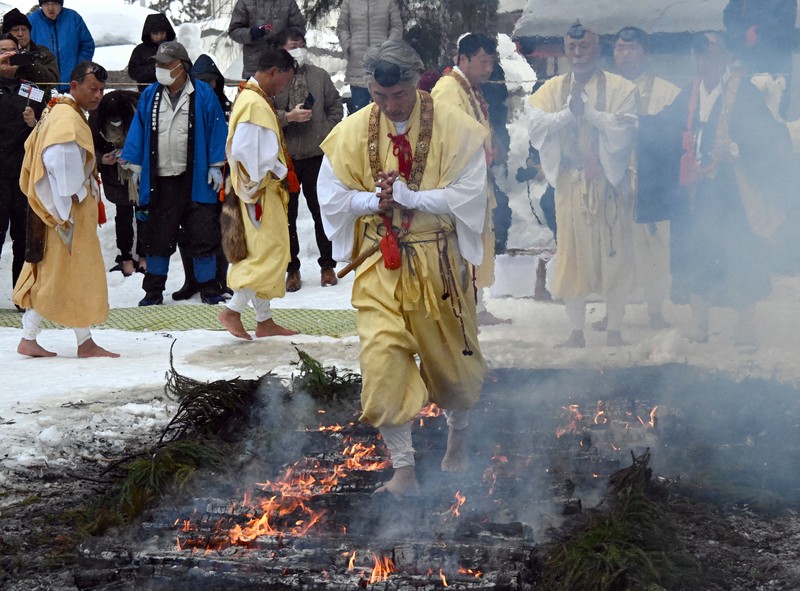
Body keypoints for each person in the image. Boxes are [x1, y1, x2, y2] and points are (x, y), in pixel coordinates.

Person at [317, 41, 489, 496]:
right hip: (381, 264)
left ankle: (459, 435)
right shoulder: (350, 132)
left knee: (454, 365)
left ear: (417, 82)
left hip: (439, 266)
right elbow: (332, 198)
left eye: (398, 96)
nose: (390, 105)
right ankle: (404, 469)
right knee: (381, 362)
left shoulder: (457, 128)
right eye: (379, 96)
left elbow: (471, 193)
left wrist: (414, 198)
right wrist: (373, 201)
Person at [638, 33, 795, 345]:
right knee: (695, 252)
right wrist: (638, 122)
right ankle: (699, 325)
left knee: (741, 255)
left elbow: (768, 134)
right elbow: (668, 123)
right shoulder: (692, 91)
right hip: (696, 190)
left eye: (708, 55)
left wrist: (741, 147)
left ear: (723, 56)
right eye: (697, 56)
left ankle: (746, 328)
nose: (701, 62)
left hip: (732, 191)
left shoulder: (743, 92)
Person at [526, 22, 638, 348]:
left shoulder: (621, 88)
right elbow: (535, 123)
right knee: (571, 257)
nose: (578, 54)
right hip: (570, 185)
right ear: (565, 51)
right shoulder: (551, 89)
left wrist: (588, 113)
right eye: (572, 48)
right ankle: (576, 332)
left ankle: (614, 329)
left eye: (585, 47)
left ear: (598, 50)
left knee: (614, 255)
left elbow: (623, 129)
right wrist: (567, 114)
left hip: (608, 184)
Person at [13, 61, 118, 358]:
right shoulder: (66, 120)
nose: (98, 95)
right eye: (92, 89)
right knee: (59, 275)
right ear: (74, 86)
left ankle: (68, 339)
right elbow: (61, 167)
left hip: (63, 210)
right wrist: (71, 202)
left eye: (101, 89)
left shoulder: (61, 111)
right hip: (64, 211)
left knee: (62, 275)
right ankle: (50, 338)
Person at [120, 41, 228, 307]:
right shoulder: (150, 96)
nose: (160, 69)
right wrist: (137, 168)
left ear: (182, 67)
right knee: (157, 237)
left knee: (203, 235)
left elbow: (217, 129)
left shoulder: (203, 94)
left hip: (196, 180)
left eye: (166, 64)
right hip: (160, 182)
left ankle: (209, 288)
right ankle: (153, 291)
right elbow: (138, 130)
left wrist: (216, 164)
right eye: (158, 64)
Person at [599, 26, 680, 331]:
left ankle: (656, 310)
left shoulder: (667, 92)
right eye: (620, 49)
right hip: (611, 183)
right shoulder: (604, 91)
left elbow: (675, 136)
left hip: (651, 183)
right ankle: (612, 312)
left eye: (632, 49)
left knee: (655, 249)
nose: (625, 54)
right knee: (613, 249)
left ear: (647, 53)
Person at [218, 47, 299, 340]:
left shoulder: (252, 98)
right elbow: (245, 151)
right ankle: (233, 310)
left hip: (258, 189)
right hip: (260, 191)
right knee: (269, 252)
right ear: (274, 72)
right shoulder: (254, 104)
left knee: (262, 251)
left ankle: (264, 320)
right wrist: (273, 172)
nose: (286, 87)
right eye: (286, 80)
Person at [431, 32, 509, 325]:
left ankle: (475, 306)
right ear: (463, 59)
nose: (488, 69)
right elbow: (450, 140)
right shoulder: (449, 90)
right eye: (482, 61)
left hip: (475, 180)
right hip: (459, 183)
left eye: (491, 62)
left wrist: (491, 143)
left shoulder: (468, 88)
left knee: (476, 240)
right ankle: (463, 308)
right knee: (463, 244)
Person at [274, 27, 342, 292]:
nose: (298, 49)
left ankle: (328, 266)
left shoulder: (319, 75)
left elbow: (335, 105)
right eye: (293, 45)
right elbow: (264, 111)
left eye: (301, 44)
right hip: (286, 157)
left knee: (320, 211)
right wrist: (286, 117)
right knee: (286, 216)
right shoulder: (276, 77)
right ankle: (292, 269)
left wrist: (327, 130)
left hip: (316, 154)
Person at [170, 54, 234, 302]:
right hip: (191, 179)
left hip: (225, 178)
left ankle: (220, 279)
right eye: (202, 80)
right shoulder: (185, 109)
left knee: (222, 230)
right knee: (189, 232)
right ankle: (192, 280)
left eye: (212, 80)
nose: (208, 85)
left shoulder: (229, 108)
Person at [0, 34, 48, 300]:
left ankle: (21, 295)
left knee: (23, 238)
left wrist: (34, 122)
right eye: (2, 52)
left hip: (22, 174)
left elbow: (47, 125)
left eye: (12, 52)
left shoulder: (31, 87)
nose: (8, 56)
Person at [92, 89, 144, 278]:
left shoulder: (138, 111)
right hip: (114, 174)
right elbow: (90, 146)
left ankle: (144, 256)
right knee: (123, 214)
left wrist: (133, 155)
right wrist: (102, 159)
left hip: (138, 171)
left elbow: (149, 140)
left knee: (143, 211)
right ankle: (126, 258)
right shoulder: (96, 117)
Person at [724, 0, 796, 118]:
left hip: (777, 70)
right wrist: (743, 34)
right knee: (744, 112)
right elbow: (728, 16)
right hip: (748, 66)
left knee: (776, 116)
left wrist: (758, 32)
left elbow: (786, 23)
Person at [336, 0, 402, 113]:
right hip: (358, 67)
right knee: (360, 114)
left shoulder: (388, 2)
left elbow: (397, 27)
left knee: (384, 113)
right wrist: (348, 45)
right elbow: (342, 27)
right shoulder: (349, 2)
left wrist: (388, 46)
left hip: (383, 65)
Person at [227, 0, 305, 80]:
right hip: (255, 67)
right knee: (255, 92)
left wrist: (285, 38)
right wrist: (250, 33)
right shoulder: (245, 2)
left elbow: (299, 28)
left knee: (284, 91)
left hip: (283, 65)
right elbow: (234, 30)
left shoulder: (288, 2)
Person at [28, 0, 94, 92]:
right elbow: (26, 49)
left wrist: (80, 68)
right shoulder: (32, 21)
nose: (50, 8)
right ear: (41, 4)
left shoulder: (73, 18)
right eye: (46, 4)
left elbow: (87, 45)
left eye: (54, 3)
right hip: (43, 86)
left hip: (72, 84)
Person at [1, 8, 59, 84]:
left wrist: (28, 62)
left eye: (24, 30)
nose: (20, 34)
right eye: (15, 30)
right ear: (7, 34)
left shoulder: (42, 53)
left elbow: (52, 81)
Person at [127, 13, 176, 89]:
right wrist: (155, 68)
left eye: (162, 33)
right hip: (148, 92)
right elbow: (133, 72)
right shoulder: (140, 50)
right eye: (155, 33)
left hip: (172, 92)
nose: (160, 37)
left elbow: (186, 67)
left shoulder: (175, 48)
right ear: (149, 33)